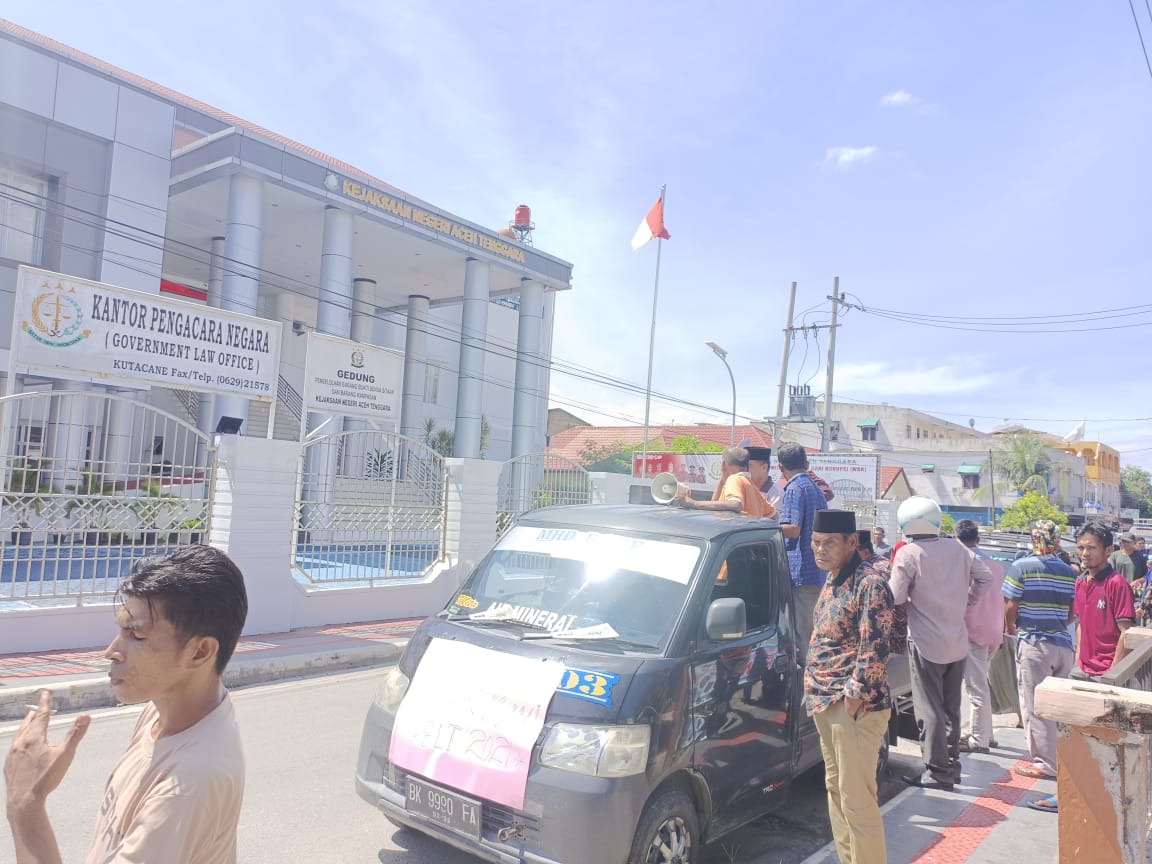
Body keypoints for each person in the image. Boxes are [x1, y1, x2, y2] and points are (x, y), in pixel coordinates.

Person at [4, 546, 249, 864]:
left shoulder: (189, 783)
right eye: (121, 629)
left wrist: (25, 804)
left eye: (136, 635)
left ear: (200, 652)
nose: (112, 651)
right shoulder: (164, 710)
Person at [805, 509, 895, 864]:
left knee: (857, 801)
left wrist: (853, 698)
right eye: (816, 542)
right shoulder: (833, 578)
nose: (820, 550)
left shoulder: (869, 584)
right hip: (825, 702)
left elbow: (875, 648)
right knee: (836, 791)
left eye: (829, 543)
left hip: (855, 708)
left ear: (852, 542)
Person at [889, 497, 992, 791]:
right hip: (957, 641)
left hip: (925, 644)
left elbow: (895, 597)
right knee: (951, 709)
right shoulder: (958, 548)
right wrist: (967, 601)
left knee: (928, 710)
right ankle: (951, 766)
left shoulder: (908, 553)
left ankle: (937, 772)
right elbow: (984, 578)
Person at [1001, 520, 1076, 798]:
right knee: (1057, 708)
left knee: (1034, 705)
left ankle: (1045, 764)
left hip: (1034, 642)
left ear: (1033, 539)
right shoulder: (1068, 571)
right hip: (1063, 645)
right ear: (1056, 541)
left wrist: (1011, 628)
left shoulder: (1021, 567)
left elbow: (1011, 604)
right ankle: (1059, 757)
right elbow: (1071, 612)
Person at [955, 520, 1005, 756]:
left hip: (972, 630)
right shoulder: (996, 565)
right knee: (982, 684)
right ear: (978, 538)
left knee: (976, 688)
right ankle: (987, 733)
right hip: (994, 630)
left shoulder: (964, 563)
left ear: (956, 539)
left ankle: (979, 739)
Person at [777, 442, 828, 651]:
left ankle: (807, 672)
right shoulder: (814, 488)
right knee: (813, 633)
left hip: (801, 573)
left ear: (781, 466)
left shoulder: (794, 488)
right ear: (805, 462)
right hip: (816, 571)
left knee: (803, 637)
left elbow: (793, 529)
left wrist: (766, 525)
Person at [1073, 522, 1136, 681]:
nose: (1085, 553)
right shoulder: (1080, 583)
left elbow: (1126, 631)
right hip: (1081, 669)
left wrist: (1112, 674)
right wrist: (1078, 660)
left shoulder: (1117, 584)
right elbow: (1081, 624)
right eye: (1081, 548)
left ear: (1108, 550)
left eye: (1091, 548)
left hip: (1106, 672)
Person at [677, 446, 776, 517]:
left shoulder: (734, 479)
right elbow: (774, 515)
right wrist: (722, 480)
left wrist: (693, 503)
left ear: (724, 463)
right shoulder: (752, 487)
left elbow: (736, 505)